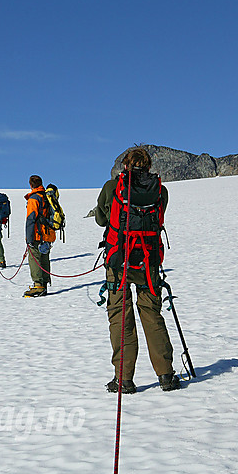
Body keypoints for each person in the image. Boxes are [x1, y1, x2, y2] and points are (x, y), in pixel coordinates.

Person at [94, 147, 181, 393]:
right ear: (149, 166)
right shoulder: (160, 190)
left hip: (119, 261)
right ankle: (166, 375)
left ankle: (124, 379)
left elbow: (101, 219)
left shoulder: (113, 188)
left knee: (121, 318)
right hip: (149, 261)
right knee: (152, 316)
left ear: (125, 165)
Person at [24, 175, 56, 297]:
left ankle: (38, 285)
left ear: (31, 184)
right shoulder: (47, 196)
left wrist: (29, 238)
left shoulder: (34, 198)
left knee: (34, 259)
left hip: (37, 234)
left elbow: (31, 219)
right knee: (44, 258)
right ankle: (45, 284)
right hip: (47, 234)